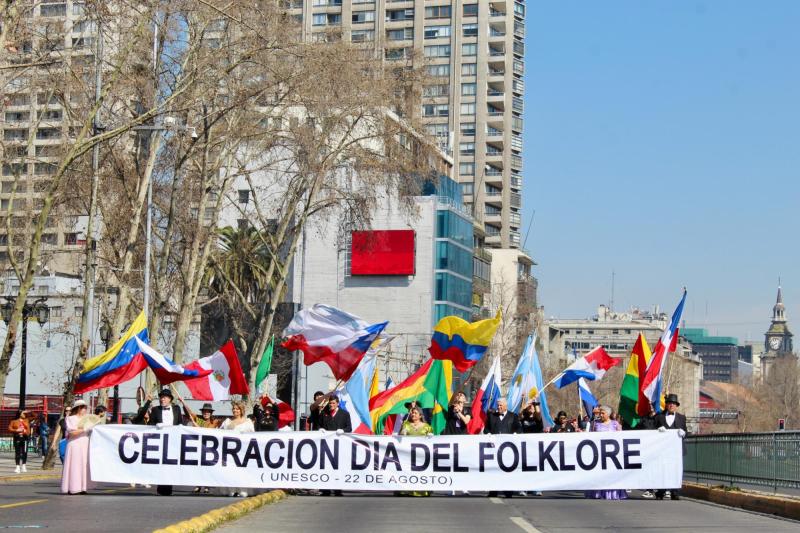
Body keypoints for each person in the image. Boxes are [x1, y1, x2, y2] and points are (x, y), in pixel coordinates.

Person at [584, 405, 627, 500]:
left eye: (603, 413)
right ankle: (597, 492)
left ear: (608, 414)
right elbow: (590, 437)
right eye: (600, 413)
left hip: (612, 455)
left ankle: (613, 493)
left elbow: (621, 438)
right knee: (599, 474)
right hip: (599, 454)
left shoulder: (615, 424)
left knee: (613, 474)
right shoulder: (595, 424)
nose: (601, 415)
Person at [148, 388, 183, 496]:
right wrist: (156, 426)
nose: (162, 399)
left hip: (173, 442)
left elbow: (180, 423)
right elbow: (149, 425)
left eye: (164, 397)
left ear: (170, 399)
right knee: (161, 465)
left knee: (171, 465)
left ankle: (169, 488)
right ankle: (161, 488)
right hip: (160, 441)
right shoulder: (155, 410)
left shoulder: (177, 409)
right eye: (161, 397)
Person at [654, 394, 688, 500]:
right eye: (669, 403)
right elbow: (652, 430)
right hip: (662, 450)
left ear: (676, 406)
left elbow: (686, 431)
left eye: (673, 404)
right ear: (666, 405)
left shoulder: (682, 418)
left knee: (676, 470)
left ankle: (675, 491)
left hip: (676, 451)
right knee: (661, 469)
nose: (671, 405)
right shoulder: (659, 416)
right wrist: (658, 430)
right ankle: (661, 491)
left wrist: (684, 433)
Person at [484, 399, 520, 498]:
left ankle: (508, 492)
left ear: (505, 406)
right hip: (494, 449)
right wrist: (489, 434)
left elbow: (519, 429)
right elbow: (486, 429)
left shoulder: (513, 416)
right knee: (494, 469)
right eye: (498, 405)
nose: (498, 407)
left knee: (507, 470)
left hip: (508, 449)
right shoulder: (491, 417)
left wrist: (515, 435)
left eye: (500, 405)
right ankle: (493, 491)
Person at [221, 401, 255, 497]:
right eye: (234, 409)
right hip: (229, 451)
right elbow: (219, 434)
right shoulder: (227, 422)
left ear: (241, 410)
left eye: (237, 409)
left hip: (243, 451)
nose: (235, 410)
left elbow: (253, 436)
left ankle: (242, 489)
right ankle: (231, 489)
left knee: (242, 471)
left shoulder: (247, 422)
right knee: (230, 471)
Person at [399, 407, 434, 497]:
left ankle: (422, 491)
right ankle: (406, 490)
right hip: (409, 454)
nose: (412, 414)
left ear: (420, 415)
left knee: (421, 472)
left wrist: (431, 436)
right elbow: (401, 437)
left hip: (422, 455)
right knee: (408, 471)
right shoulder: (406, 424)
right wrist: (402, 431)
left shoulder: (427, 427)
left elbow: (433, 441)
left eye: (415, 413)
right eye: (412, 413)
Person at [61, 400, 92, 494]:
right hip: (75, 444)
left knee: (84, 464)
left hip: (85, 443)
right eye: (83, 408)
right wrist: (84, 429)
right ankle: (73, 487)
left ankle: (83, 487)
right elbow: (72, 433)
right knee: (75, 465)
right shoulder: (71, 419)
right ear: (78, 408)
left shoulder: (87, 419)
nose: (85, 410)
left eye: (86, 408)